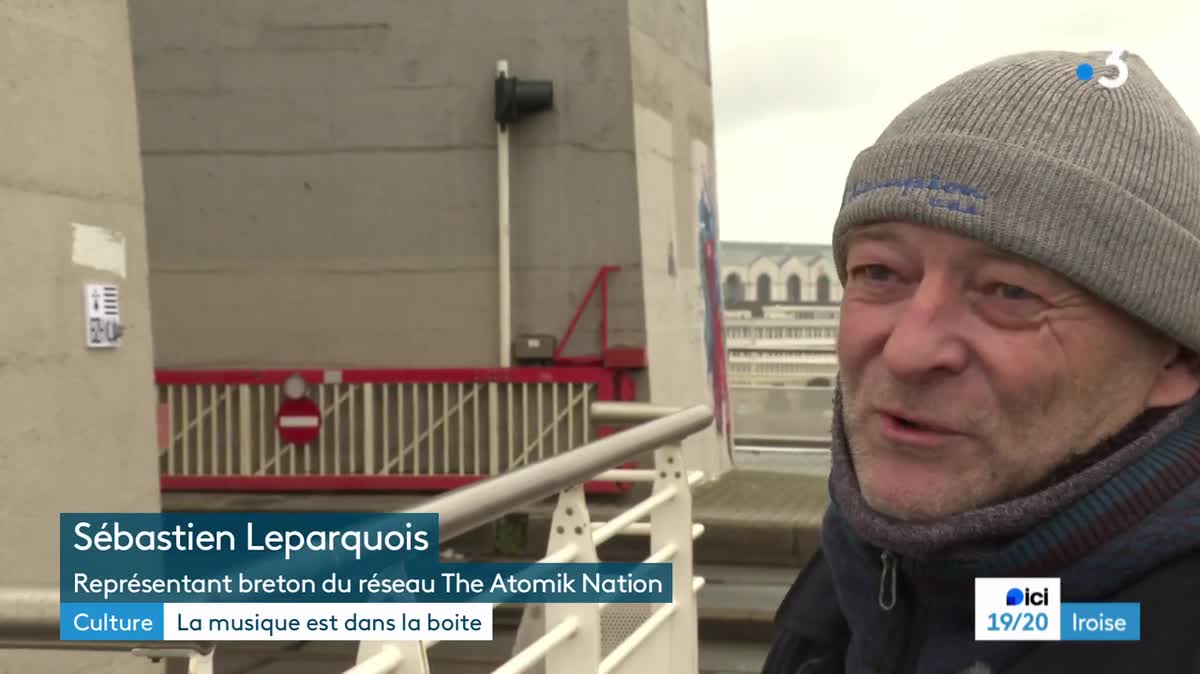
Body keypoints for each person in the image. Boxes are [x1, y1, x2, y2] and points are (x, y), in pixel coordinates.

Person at [761, 50, 1200, 674]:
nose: (910, 351)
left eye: (1010, 293)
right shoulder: (868, 558)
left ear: (1176, 360)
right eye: (880, 272)